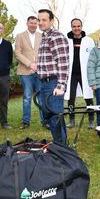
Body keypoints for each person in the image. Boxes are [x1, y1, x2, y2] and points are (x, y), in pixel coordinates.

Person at [37, 9, 69, 144]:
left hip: (54, 83)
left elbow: (63, 62)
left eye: (44, 20)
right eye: (39, 20)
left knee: (56, 117)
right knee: (50, 116)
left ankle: (62, 149)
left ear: (51, 21)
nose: (40, 22)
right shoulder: (45, 37)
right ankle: (58, 145)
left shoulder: (56, 36)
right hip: (44, 83)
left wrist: (61, 86)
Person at [15, 16, 45, 129]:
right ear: (27, 23)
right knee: (27, 97)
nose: (33, 25)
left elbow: (44, 52)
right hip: (26, 71)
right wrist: (30, 64)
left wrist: (38, 65)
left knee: (41, 97)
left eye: (35, 23)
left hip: (40, 71)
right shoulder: (20, 36)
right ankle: (26, 121)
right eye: (31, 23)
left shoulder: (41, 36)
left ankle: (44, 120)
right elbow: (17, 53)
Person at [65, 18, 95, 129]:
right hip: (71, 74)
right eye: (74, 26)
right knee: (70, 97)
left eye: (78, 26)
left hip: (85, 74)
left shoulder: (89, 40)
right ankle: (71, 120)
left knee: (88, 97)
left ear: (81, 27)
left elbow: (93, 57)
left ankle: (91, 120)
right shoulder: (66, 40)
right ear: (71, 27)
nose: (76, 28)